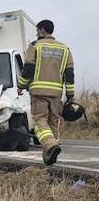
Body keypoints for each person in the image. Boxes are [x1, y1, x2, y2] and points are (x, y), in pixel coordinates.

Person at [17, 19, 74, 165]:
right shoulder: (64, 49)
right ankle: (49, 156)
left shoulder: (35, 46)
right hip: (56, 93)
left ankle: (50, 144)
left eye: (37, 31)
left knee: (40, 120)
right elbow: (69, 74)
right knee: (53, 121)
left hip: (38, 92)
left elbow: (28, 69)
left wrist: (20, 86)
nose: (36, 33)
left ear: (42, 30)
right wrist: (70, 95)